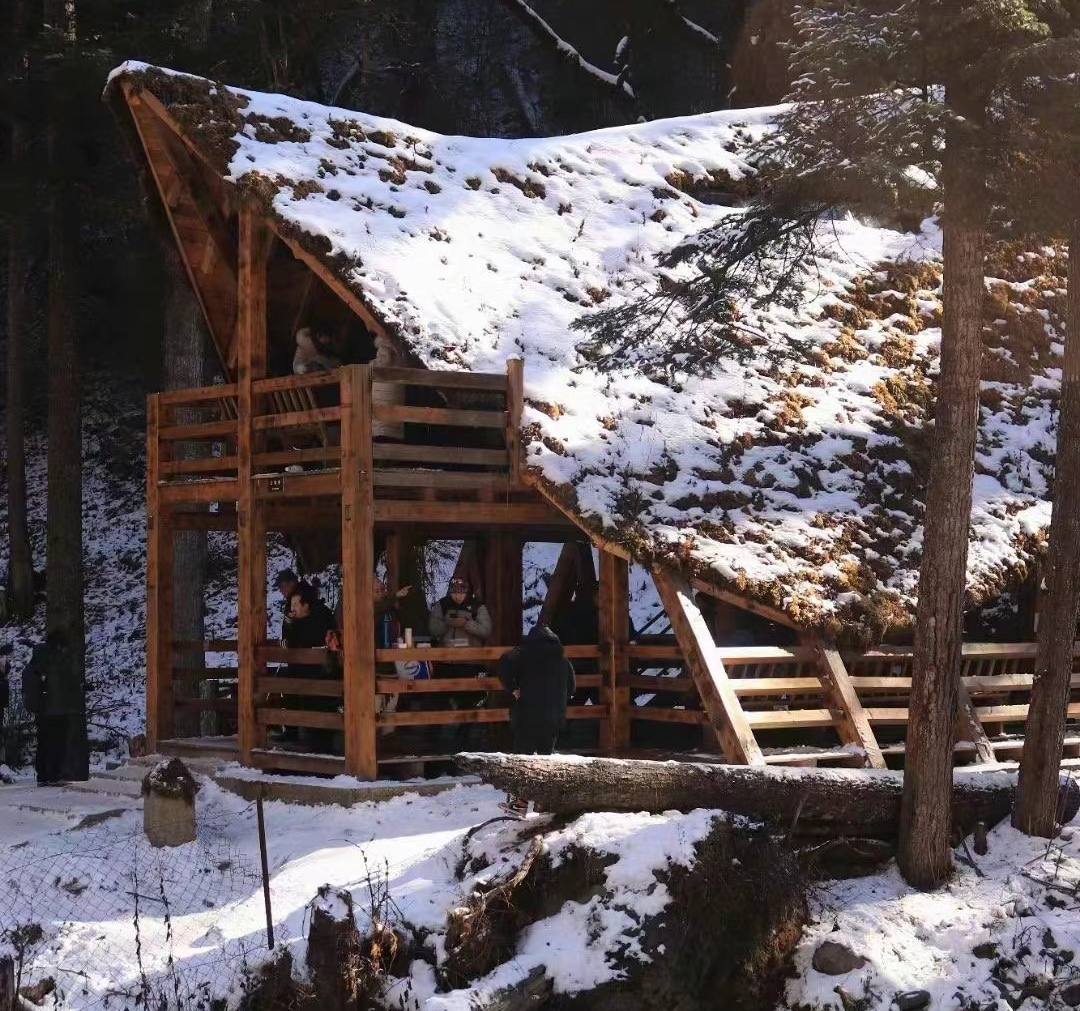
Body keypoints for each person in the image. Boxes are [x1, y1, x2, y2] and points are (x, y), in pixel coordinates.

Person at [498, 624, 576, 757]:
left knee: (523, 758)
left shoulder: (522, 656)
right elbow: (571, 687)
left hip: (527, 715)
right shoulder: (563, 661)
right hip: (553, 717)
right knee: (545, 757)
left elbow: (504, 669)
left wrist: (513, 689)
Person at [429, 577, 492, 648]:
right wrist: (447, 623)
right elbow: (433, 629)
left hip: (471, 652)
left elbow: (486, 631)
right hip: (446, 651)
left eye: (461, 592)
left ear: (467, 591)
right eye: (454, 592)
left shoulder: (477, 606)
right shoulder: (442, 604)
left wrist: (466, 623)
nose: (457, 596)